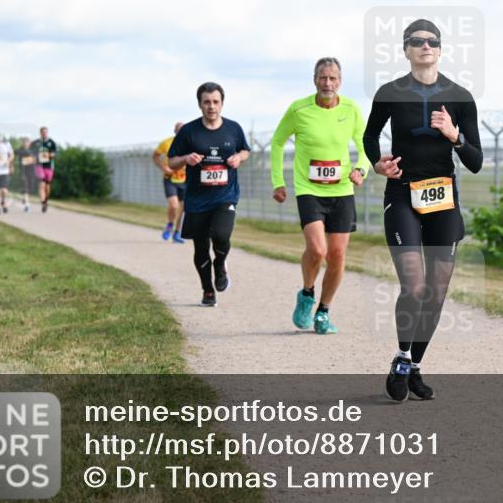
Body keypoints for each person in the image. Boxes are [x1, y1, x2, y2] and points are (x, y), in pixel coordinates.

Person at [363, 18, 483, 402]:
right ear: (406, 49)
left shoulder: (460, 97)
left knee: (435, 291)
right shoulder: (389, 93)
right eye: (417, 41)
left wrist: (454, 135)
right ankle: (402, 357)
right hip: (401, 195)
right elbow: (369, 136)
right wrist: (377, 163)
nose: (425, 46)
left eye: (432, 41)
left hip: (443, 199)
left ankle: (415, 364)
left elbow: (476, 160)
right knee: (414, 286)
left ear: (441, 49)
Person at [271, 57, 367, 335]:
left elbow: (365, 145)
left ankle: (323, 312)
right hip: (309, 189)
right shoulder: (298, 109)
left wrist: (361, 169)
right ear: (315, 80)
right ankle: (306, 294)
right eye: (323, 78)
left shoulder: (350, 109)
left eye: (333, 78)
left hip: (342, 190)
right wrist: (278, 181)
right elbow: (277, 142)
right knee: (318, 250)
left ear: (341, 81)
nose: (328, 83)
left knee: (337, 254)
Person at [166, 82, 251, 307]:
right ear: (200, 104)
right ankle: (207, 290)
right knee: (201, 248)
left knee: (222, 235)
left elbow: (245, 151)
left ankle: (220, 266)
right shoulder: (188, 132)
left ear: (222, 103)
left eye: (215, 102)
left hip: (225, 195)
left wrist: (238, 158)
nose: (211, 106)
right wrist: (186, 159)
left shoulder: (233, 129)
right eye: (207, 102)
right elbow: (171, 162)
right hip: (196, 200)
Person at [152, 122, 187, 244]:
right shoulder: (166, 143)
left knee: (184, 209)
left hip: (185, 180)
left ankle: (177, 233)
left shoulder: (192, 144)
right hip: (170, 179)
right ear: (175, 131)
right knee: (174, 205)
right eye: (179, 130)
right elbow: (155, 157)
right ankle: (170, 225)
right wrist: (163, 168)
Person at [31, 126, 57, 212]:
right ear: (40, 133)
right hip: (39, 166)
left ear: (47, 133)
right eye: (43, 132)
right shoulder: (35, 143)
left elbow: (54, 154)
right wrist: (34, 158)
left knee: (47, 186)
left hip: (49, 166)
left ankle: (46, 200)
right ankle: (43, 203)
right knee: (41, 185)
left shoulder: (51, 142)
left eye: (46, 132)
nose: (44, 133)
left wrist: (47, 155)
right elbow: (31, 153)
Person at [15, 138, 37, 212]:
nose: (26, 143)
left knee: (30, 188)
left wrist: (34, 159)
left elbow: (36, 159)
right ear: (22, 143)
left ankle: (24, 198)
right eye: (24, 142)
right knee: (25, 187)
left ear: (29, 143)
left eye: (27, 142)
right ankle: (27, 205)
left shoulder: (33, 151)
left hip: (32, 171)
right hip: (23, 171)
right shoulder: (19, 150)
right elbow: (12, 154)